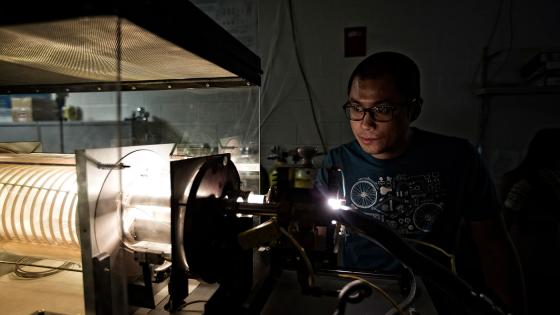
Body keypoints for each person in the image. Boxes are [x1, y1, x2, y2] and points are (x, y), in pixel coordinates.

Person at [315, 51, 525, 314]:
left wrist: (510, 310)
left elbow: (492, 242)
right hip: (361, 294)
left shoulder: (457, 158)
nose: (366, 123)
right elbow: (317, 239)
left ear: (413, 109)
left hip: (435, 296)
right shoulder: (337, 163)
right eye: (356, 108)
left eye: (383, 109)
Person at [500, 128, 560, 315]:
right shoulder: (520, 180)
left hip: (544, 260)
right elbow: (502, 223)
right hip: (525, 259)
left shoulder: (547, 181)